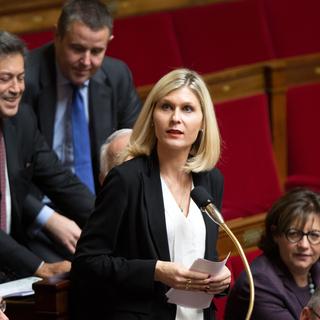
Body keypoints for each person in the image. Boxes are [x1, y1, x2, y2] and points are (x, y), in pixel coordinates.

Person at [70, 68, 231, 320]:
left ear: (202, 123)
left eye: (187, 109)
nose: (175, 118)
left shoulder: (210, 180)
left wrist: (220, 279)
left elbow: (203, 253)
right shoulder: (126, 179)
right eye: (166, 107)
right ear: (152, 116)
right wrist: (154, 271)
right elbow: (87, 263)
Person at [21, 0, 141, 261]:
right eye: (77, 49)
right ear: (57, 36)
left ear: (109, 40)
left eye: (97, 51)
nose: (86, 61)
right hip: (39, 216)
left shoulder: (117, 75)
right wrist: (47, 218)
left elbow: (136, 153)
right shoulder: (24, 79)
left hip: (100, 210)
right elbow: (11, 173)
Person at [0, 31, 95, 281]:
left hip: (10, 264)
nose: (17, 89)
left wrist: (111, 224)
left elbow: (61, 181)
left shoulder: (23, 120)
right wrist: (39, 266)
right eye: (5, 79)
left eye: (20, 78)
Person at [224, 188, 320, 320]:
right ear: (276, 234)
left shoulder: (316, 268)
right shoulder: (259, 285)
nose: (304, 245)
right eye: (293, 234)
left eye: (314, 235)